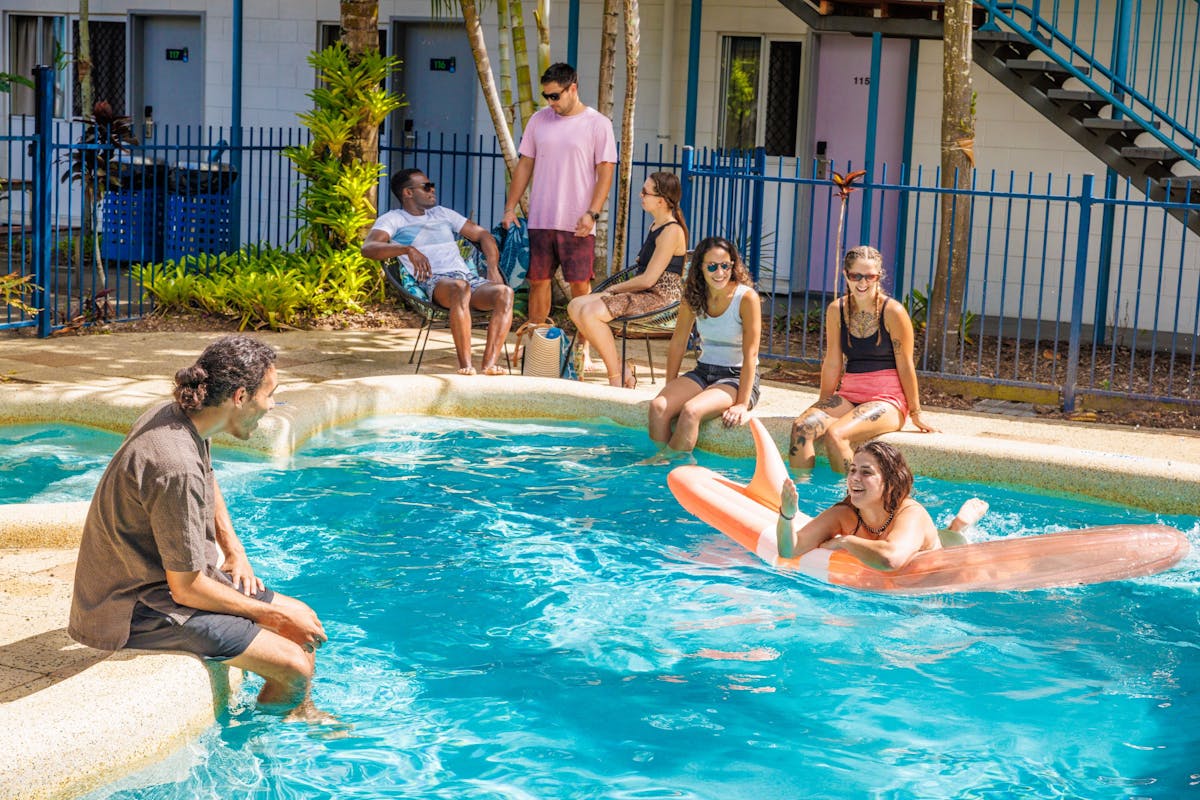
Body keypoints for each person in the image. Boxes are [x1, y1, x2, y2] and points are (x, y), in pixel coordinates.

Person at [68, 336, 329, 719]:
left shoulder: (183, 418)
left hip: (164, 582)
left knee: (304, 620)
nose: (271, 406)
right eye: (270, 395)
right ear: (240, 396)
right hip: (135, 607)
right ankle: (257, 750)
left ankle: (299, 711)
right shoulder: (174, 465)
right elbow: (186, 587)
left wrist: (234, 550)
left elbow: (207, 476)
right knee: (294, 666)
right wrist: (267, 615)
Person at [789, 245, 936, 474]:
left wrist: (915, 413)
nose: (862, 282)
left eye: (870, 276)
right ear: (846, 275)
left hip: (886, 400)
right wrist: (823, 405)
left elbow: (906, 365)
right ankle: (802, 497)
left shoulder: (893, 311)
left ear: (879, 276)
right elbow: (833, 361)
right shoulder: (836, 310)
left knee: (836, 435)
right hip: (849, 396)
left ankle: (848, 501)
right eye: (856, 275)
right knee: (802, 427)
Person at [501, 62, 617, 346]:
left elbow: (606, 172)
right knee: (538, 281)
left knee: (580, 286)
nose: (550, 102)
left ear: (573, 88)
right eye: (547, 96)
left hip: (577, 221)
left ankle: (582, 348)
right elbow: (524, 165)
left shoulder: (598, 123)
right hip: (541, 219)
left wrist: (592, 213)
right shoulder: (539, 121)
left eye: (555, 96)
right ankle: (537, 345)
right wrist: (510, 207)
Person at [363, 168, 514, 376]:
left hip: (467, 279)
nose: (432, 189)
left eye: (431, 185)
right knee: (460, 288)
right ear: (408, 193)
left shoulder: (442, 213)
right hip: (436, 282)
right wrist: (407, 249)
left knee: (505, 293)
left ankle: (489, 365)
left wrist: (492, 266)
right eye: (426, 186)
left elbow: (483, 235)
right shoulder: (395, 219)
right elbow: (368, 248)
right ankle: (465, 365)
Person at [776, 440, 989, 567]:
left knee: (954, 535)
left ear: (889, 481)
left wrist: (845, 542)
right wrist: (787, 515)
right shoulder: (844, 513)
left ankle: (959, 525)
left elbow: (891, 559)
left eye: (866, 472)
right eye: (852, 470)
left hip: (950, 550)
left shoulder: (911, 513)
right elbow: (789, 551)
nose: (855, 478)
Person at [644, 236, 762, 463]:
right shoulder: (694, 296)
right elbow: (678, 343)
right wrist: (670, 385)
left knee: (691, 411)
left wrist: (741, 404)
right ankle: (661, 463)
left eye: (725, 266)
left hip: (736, 377)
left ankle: (667, 465)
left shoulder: (746, 298)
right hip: (704, 371)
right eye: (712, 266)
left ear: (733, 266)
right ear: (700, 268)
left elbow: (751, 355)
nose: (720, 272)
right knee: (658, 407)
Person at [567, 171, 688, 388]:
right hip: (644, 293)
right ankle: (622, 368)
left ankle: (616, 377)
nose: (641, 195)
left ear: (660, 200)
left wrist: (614, 289)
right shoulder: (656, 226)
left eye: (645, 192)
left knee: (590, 312)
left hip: (660, 298)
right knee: (575, 305)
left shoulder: (671, 231)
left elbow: (649, 280)